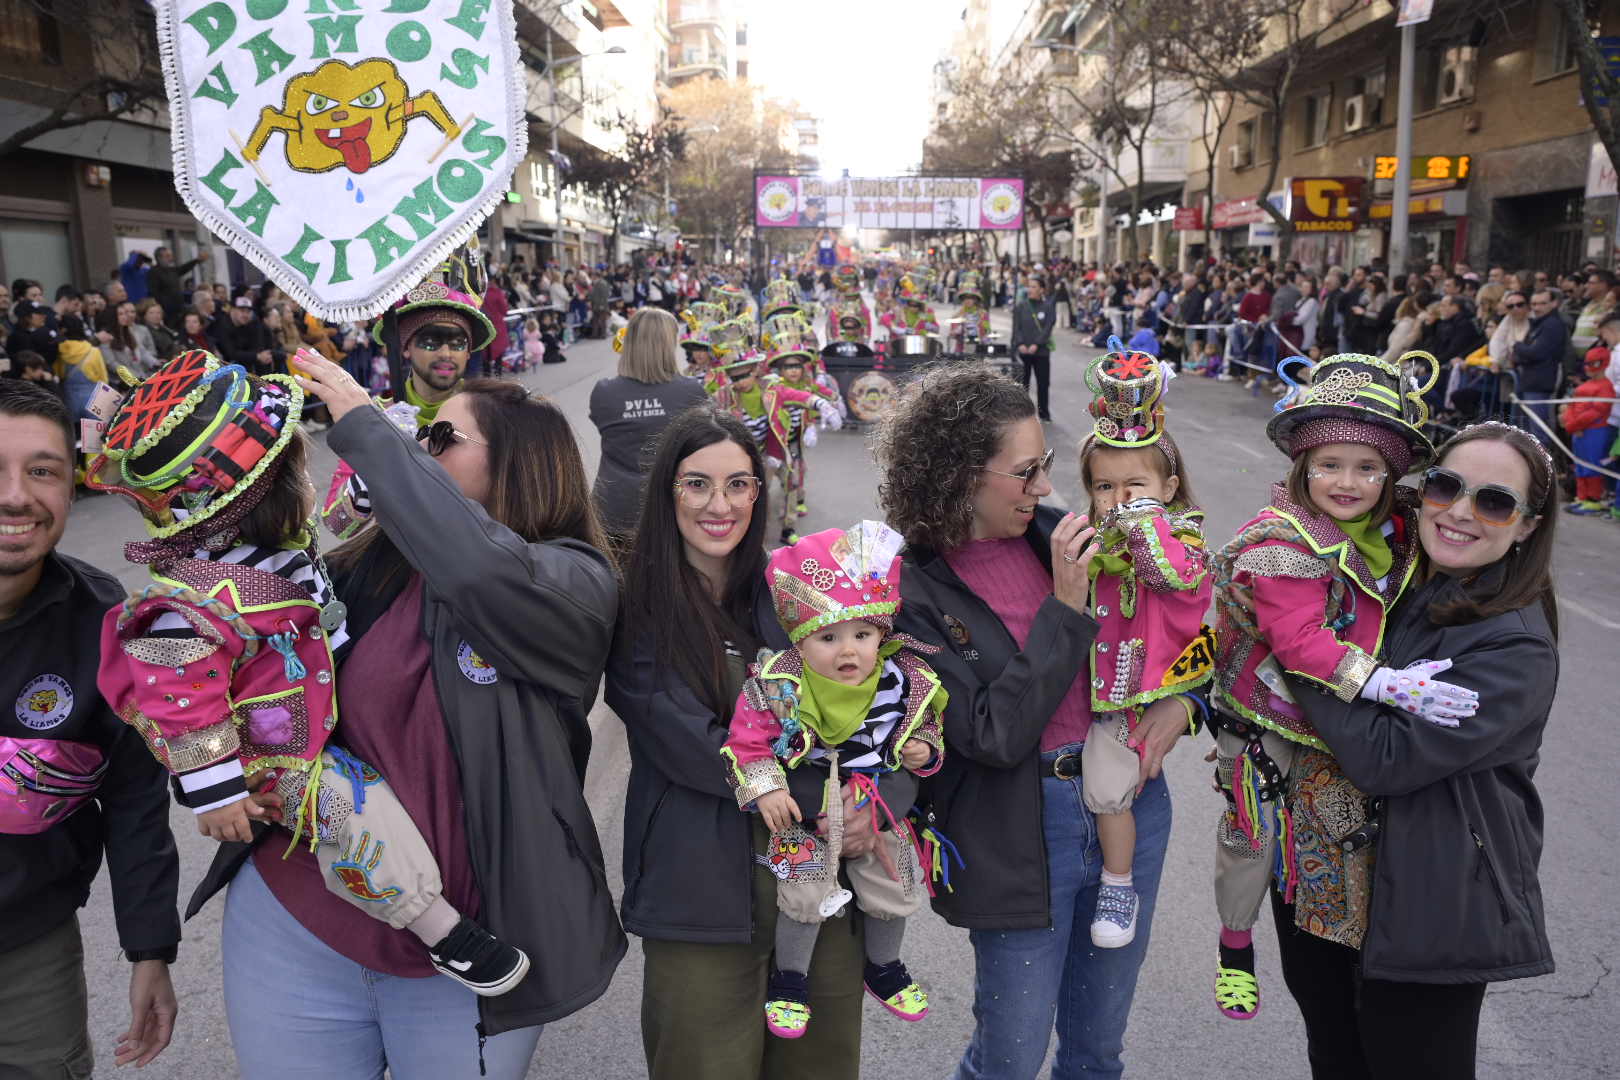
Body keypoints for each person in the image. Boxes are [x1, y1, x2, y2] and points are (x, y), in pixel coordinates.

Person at [185, 354, 624, 1077]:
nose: (421, 449)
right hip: (298, 922)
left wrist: (362, 423)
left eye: (441, 440)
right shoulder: (369, 562)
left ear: (519, 465)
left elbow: (482, 569)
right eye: (417, 437)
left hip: (474, 945)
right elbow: (264, 674)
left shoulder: (573, 581)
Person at [89, 348, 532, 994]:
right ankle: (446, 935)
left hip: (311, 705)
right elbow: (179, 697)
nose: (309, 483)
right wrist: (216, 791)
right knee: (354, 815)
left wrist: (376, 474)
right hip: (275, 754)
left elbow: (340, 529)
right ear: (263, 493)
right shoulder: (190, 602)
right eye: (299, 467)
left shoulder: (270, 551)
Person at [878, 363, 1200, 1079]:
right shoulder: (910, 590)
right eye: (1025, 472)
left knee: (1097, 1052)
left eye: (1047, 465)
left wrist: (1187, 706)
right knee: (1010, 1060)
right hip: (1017, 832)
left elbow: (1180, 628)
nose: (1047, 488)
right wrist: (1064, 604)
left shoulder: (1063, 532)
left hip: (1131, 812)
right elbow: (990, 734)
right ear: (961, 475)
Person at [1277, 421, 1558, 1080]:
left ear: (1525, 526)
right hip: (1328, 885)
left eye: (1494, 501)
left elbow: (1386, 757)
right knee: (1337, 1057)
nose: (1460, 511)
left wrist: (1294, 660)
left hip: (1432, 904)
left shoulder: (1513, 646)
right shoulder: (1399, 582)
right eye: (1446, 485)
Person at [607, 408, 874, 1079]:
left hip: (815, 891)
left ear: (761, 490)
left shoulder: (799, 591)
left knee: (823, 1066)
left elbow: (878, 705)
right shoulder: (636, 606)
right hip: (700, 899)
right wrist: (827, 799)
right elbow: (691, 746)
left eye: (738, 484)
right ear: (668, 492)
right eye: (696, 485)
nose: (718, 505)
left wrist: (879, 798)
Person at [1208, 350, 1466, 1023]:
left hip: (1341, 729)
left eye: (1367, 467)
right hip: (1269, 721)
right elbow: (1300, 644)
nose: (1346, 481)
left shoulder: (1399, 528)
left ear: (1390, 474)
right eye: (1329, 465)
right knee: (1253, 836)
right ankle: (1234, 946)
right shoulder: (1284, 544)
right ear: (1302, 468)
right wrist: (1386, 685)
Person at [0, 381, 180, 1075]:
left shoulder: (105, 619)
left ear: (73, 488)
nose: (16, 495)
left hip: (26, 954)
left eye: (41, 471)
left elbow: (135, 798)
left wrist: (151, 949)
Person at [721, 522, 945, 1038]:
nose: (848, 651)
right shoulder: (781, 683)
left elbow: (928, 729)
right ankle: (790, 980)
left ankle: (884, 966)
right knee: (803, 893)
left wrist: (924, 748)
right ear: (802, 639)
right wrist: (768, 787)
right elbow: (746, 740)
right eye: (828, 637)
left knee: (897, 882)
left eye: (863, 635)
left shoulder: (903, 681)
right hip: (807, 811)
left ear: (881, 635)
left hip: (876, 803)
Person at [1076, 344, 1213, 949]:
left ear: (1170, 486)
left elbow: (1174, 578)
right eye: (1105, 486)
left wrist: (1144, 521)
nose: (1120, 498)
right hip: (1083, 685)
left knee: (1107, 789)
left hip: (1134, 696)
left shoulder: (1181, 542)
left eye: (1137, 484)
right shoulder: (1088, 535)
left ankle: (1118, 880)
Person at [589, 307, 709, 549]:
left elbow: (608, 429)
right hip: (670, 505)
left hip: (613, 505)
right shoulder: (690, 391)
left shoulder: (605, 392)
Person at [1561, 339, 1617, 512]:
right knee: (1580, 465)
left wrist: (1573, 425)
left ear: (1603, 364)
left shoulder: (1607, 388)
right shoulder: (1585, 386)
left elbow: (1596, 412)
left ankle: (1593, 499)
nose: (1588, 367)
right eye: (1587, 363)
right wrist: (1571, 423)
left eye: (1593, 363)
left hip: (1595, 432)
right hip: (1580, 432)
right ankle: (1582, 496)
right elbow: (1572, 406)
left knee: (1592, 465)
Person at [1512, 290, 1571, 445]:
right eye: (1534, 304)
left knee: (1539, 432)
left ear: (1554, 303)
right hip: (1530, 381)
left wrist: (1517, 346)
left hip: (1542, 384)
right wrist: (1522, 352)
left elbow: (1535, 353)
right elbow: (1520, 356)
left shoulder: (1552, 324)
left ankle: (1544, 467)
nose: (1537, 307)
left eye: (1542, 303)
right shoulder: (1538, 323)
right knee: (1527, 431)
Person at [1012, 275, 1057, 422]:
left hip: (1041, 352)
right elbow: (1016, 327)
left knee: (1043, 383)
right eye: (1029, 286)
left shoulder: (1048, 307)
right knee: (1022, 383)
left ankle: (1044, 412)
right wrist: (1020, 344)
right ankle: (1023, 413)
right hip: (1024, 351)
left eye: (1033, 287)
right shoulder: (1021, 306)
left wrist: (1036, 344)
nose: (1029, 289)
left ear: (1042, 290)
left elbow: (1047, 328)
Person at [148, 246, 206, 323]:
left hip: (179, 309)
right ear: (159, 258)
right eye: (167, 256)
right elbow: (153, 293)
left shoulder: (172, 270)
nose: (171, 258)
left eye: (171, 256)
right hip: (166, 312)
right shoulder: (154, 272)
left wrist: (197, 260)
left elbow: (184, 268)